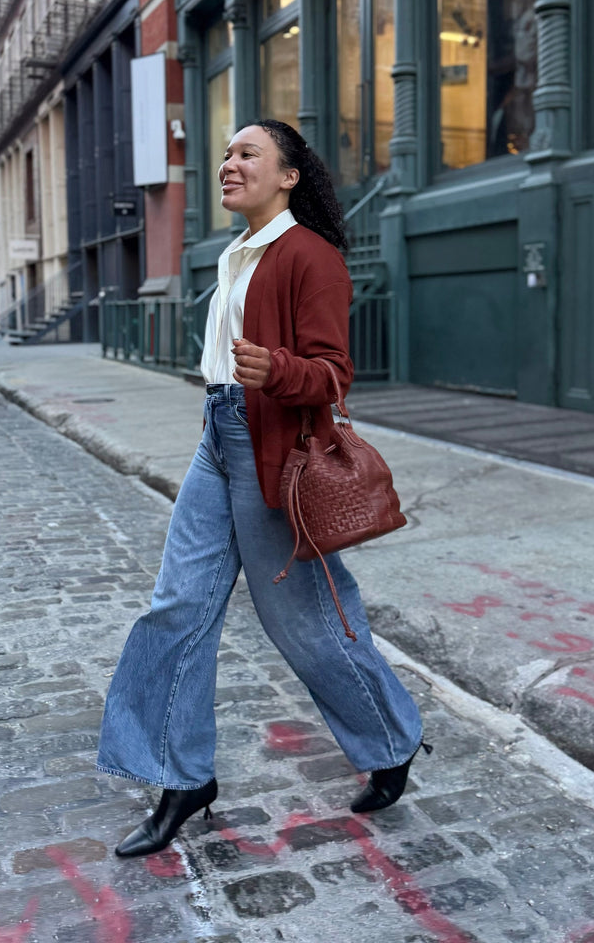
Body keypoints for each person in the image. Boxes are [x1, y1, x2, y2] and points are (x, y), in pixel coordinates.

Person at [96, 119, 426, 858]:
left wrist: (277, 371)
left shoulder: (310, 256)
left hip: (269, 446)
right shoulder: (236, 254)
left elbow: (334, 373)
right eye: (225, 153)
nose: (228, 163)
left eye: (248, 153)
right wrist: (241, 386)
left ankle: (389, 738)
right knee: (177, 604)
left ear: (288, 177)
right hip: (219, 437)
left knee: (303, 621)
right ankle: (181, 777)